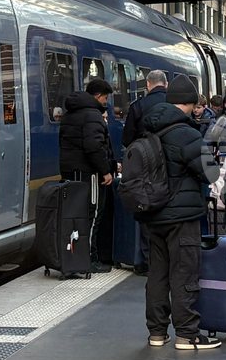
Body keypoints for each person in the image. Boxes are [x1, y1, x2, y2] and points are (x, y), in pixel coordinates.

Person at [139, 74, 221, 350]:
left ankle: (157, 333)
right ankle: (187, 334)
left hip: (154, 213)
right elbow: (210, 173)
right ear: (189, 104)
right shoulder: (187, 133)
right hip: (182, 216)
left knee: (158, 275)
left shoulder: (148, 129)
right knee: (184, 273)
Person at [59, 78, 117, 272]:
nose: (105, 103)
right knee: (92, 216)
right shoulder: (92, 115)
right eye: (105, 98)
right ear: (98, 95)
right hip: (89, 174)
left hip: (70, 171)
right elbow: (94, 147)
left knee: (73, 216)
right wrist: (105, 171)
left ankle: (72, 257)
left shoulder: (70, 113)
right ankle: (89, 260)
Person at [122, 69, 168, 275]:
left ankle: (147, 261)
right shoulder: (175, 104)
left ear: (148, 84)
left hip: (146, 167)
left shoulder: (138, 106)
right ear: (165, 85)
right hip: (170, 164)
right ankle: (168, 259)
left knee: (146, 207)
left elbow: (127, 139)